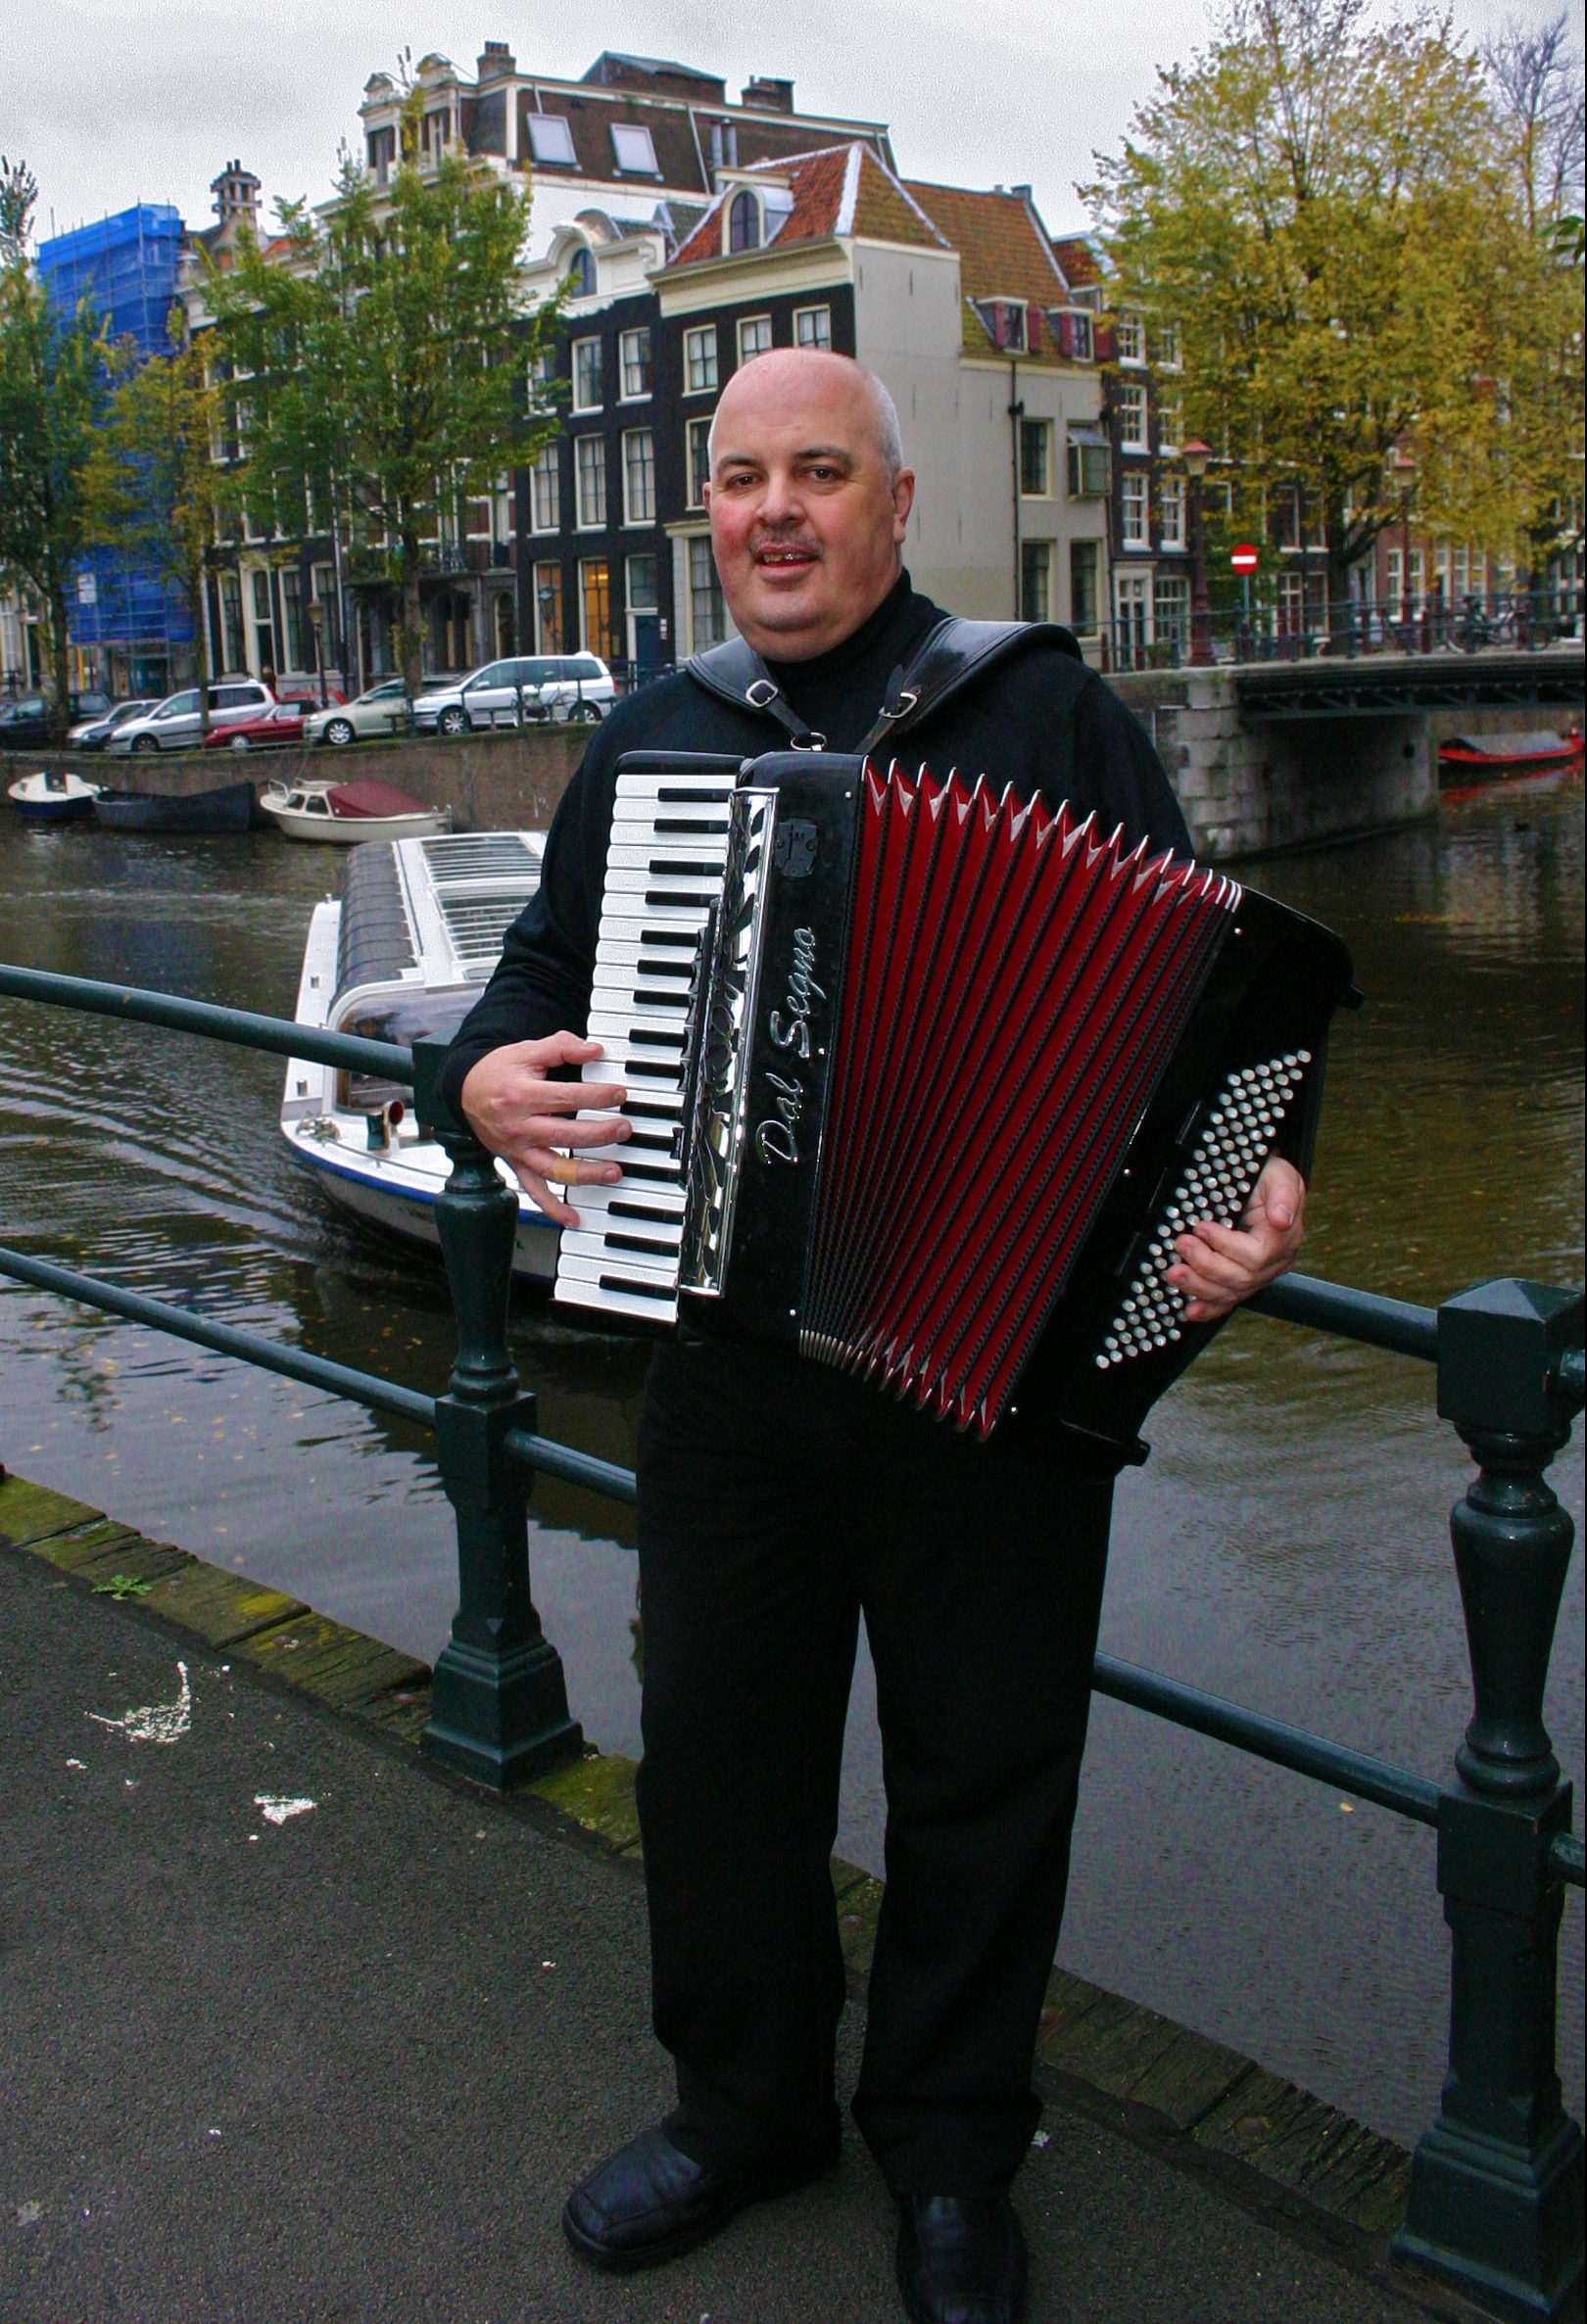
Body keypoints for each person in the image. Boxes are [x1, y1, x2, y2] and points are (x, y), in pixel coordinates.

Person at [441, 349, 1306, 2324]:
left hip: (992, 1378)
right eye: (742, 477)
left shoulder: (1043, 707)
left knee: (984, 1779)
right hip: (730, 1377)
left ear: (897, 502)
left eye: (817, 471)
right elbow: (522, 988)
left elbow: (1217, 993)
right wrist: (484, 1078)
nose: (773, 510)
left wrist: (1262, 1174)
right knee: (717, 1765)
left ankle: (950, 2155)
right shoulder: (655, 735)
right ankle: (744, 2108)